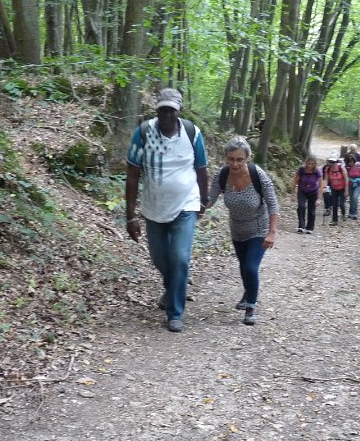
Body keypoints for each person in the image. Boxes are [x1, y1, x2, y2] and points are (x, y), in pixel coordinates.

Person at [125, 88, 209, 333]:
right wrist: (130, 216)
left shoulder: (192, 133)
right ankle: (174, 289)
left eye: (172, 110)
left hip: (186, 204)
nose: (167, 115)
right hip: (154, 207)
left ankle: (175, 313)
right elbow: (132, 175)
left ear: (179, 111)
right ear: (157, 110)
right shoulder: (143, 133)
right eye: (163, 110)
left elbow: (201, 169)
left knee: (180, 257)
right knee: (159, 258)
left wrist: (203, 201)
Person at [206, 136, 279, 326]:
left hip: (259, 228)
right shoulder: (222, 174)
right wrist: (193, 208)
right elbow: (210, 200)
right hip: (237, 230)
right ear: (226, 158)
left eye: (240, 159)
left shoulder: (258, 175)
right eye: (231, 159)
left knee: (250, 267)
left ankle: (250, 308)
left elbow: (273, 204)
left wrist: (272, 232)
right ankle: (248, 292)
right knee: (243, 265)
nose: (235, 164)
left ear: (247, 158)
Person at [291, 156, 322, 234]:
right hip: (302, 191)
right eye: (308, 163)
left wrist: (319, 198)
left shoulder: (317, 171)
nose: (310, 166)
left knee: (312, 210)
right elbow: (295, 182)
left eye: (312, 164)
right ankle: (301, 226)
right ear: (306, 163)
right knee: (301, 207)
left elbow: (321, 185)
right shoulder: (301, 170)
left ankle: (310, 227)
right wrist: (293, 194)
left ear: (315, 164)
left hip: (313, 192)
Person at [322, 151, 348, 226]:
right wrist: (324, 188)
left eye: (333, 162)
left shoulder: (341, 168)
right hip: (334, 188)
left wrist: (346, 190)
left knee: (341, 204)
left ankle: (343, 214)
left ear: (336, 161)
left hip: (342, 188)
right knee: (334, 204)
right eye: (330, 161)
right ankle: (334, 220)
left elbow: (346, 179)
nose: (332, 163)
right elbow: (326, 179)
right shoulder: (328, 169)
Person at [346, 155, 360, 220]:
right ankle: (351, 212)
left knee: (355, 197)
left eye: (351, 161)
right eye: (349, 161)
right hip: (350, 184)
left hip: (358, 184)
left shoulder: (358, 165)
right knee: (351, 198)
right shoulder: (347, 168)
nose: (350, 162)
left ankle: (355, 212)